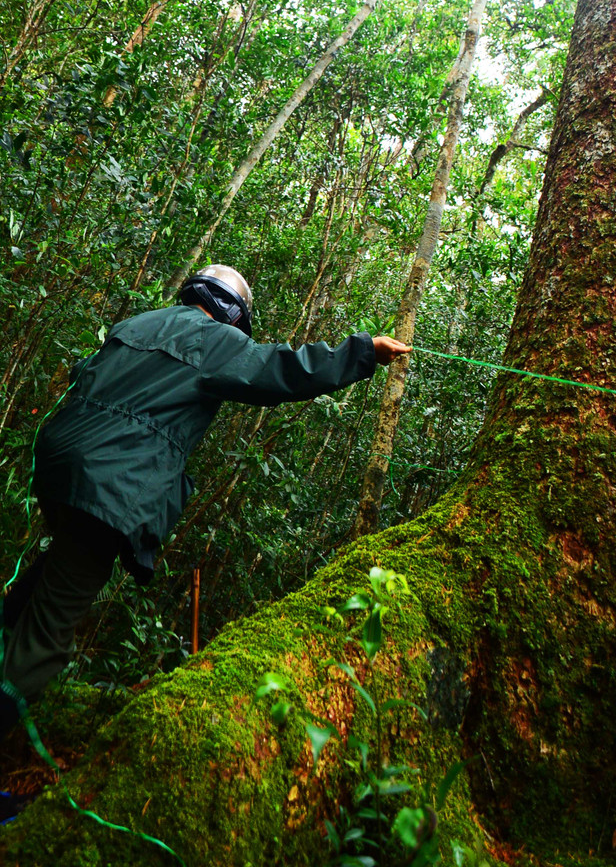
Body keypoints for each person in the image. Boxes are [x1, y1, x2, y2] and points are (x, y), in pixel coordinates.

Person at [0, 264, 410, 748]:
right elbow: (281, 370)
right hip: (110, 485)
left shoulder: (137, 323)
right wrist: (363, 351)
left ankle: (8, 627)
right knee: (51, 627)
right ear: (234, 314)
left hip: (59, 464)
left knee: (58, 568)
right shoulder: (217, 340)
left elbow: (81, 375)